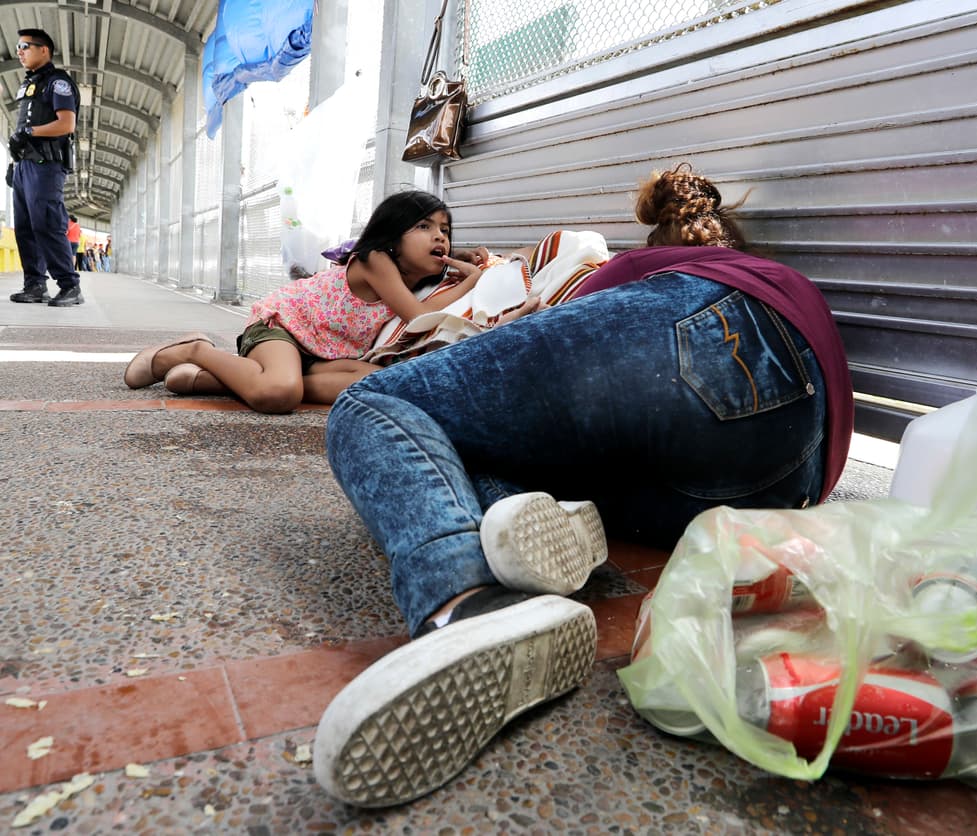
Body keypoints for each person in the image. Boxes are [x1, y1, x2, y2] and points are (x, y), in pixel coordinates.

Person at [313, 164, 855, 808]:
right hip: (785, 474)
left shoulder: (643, 271)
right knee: (503, 450)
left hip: (684, 330)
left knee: (373, 407)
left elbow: (551, 354)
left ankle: (464, 608)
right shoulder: (782, 282)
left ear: (657, 240)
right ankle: (538, 522)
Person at [122, 191, 510, 413]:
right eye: (424, 227)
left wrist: (469, 261)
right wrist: (474, 279)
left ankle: (211, 380)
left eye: (444, 230)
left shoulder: (420, 275)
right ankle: (195, 349)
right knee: (279, 395)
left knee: (373, 381)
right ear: (391, 235)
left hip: (319, 354)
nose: (438, 238)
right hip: (282, 328)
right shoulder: (374, 259)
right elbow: (421, 317)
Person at [7, 28, 82, 307]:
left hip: (46, 164)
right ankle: (35, 285)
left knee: (46, 223)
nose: (20, 52)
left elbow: (66, 124)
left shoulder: (57, 83)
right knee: (25, 227)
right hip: (25, 166)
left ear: (44, 50)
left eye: (25, 46)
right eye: (18, 47)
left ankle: (69, 286)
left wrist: (31, 132)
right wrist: (16, 162)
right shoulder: (29, 84)